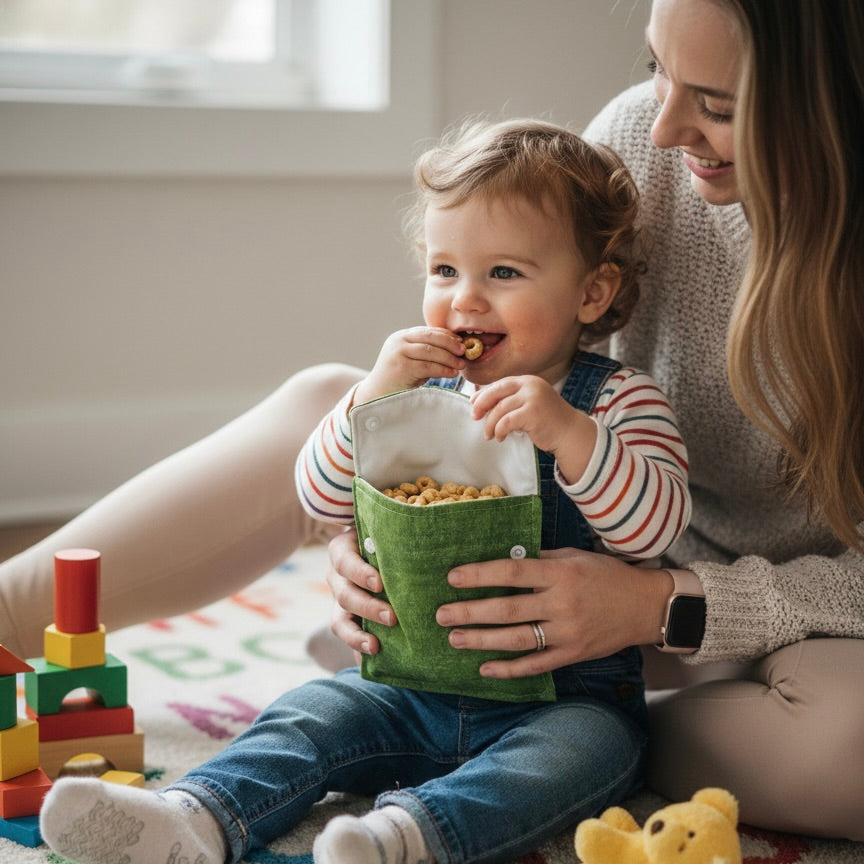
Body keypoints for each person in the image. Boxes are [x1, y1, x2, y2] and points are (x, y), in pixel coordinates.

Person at [2, 0, 862, 842]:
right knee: (328, 400)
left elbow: (638, 496)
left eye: (718, 105)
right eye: (656, 69)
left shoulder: (627, 401)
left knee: (843, 748)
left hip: (778, 621)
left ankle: (571, 736)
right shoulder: (643, 136)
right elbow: (501, 309)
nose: (667, 127)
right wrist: (359, 544)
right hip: (556, 588)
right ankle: (17, 613)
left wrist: (660, 608)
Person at [38, 119, 691, 864]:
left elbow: (653, 531)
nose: (465, 301)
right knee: (310, 712)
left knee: (576, 761)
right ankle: (191, 814)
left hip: (564, 701)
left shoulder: (617, 402)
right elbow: (318, 497)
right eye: (445, 271)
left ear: (591, 291)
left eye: (503, 274)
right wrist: (369, 399)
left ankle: (402, 838)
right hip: (408, 686)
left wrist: (569, 433)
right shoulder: (419, 395)